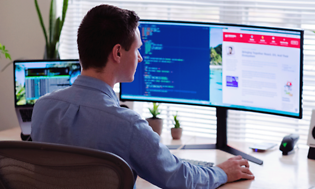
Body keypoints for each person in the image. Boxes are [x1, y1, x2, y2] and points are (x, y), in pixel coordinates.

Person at [31, 4, 254, 189]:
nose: (140, 58)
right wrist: (221, 172)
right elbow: (178, 178)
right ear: (118, 53)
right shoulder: (127, 125)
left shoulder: (42, 108)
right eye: (137, 49)